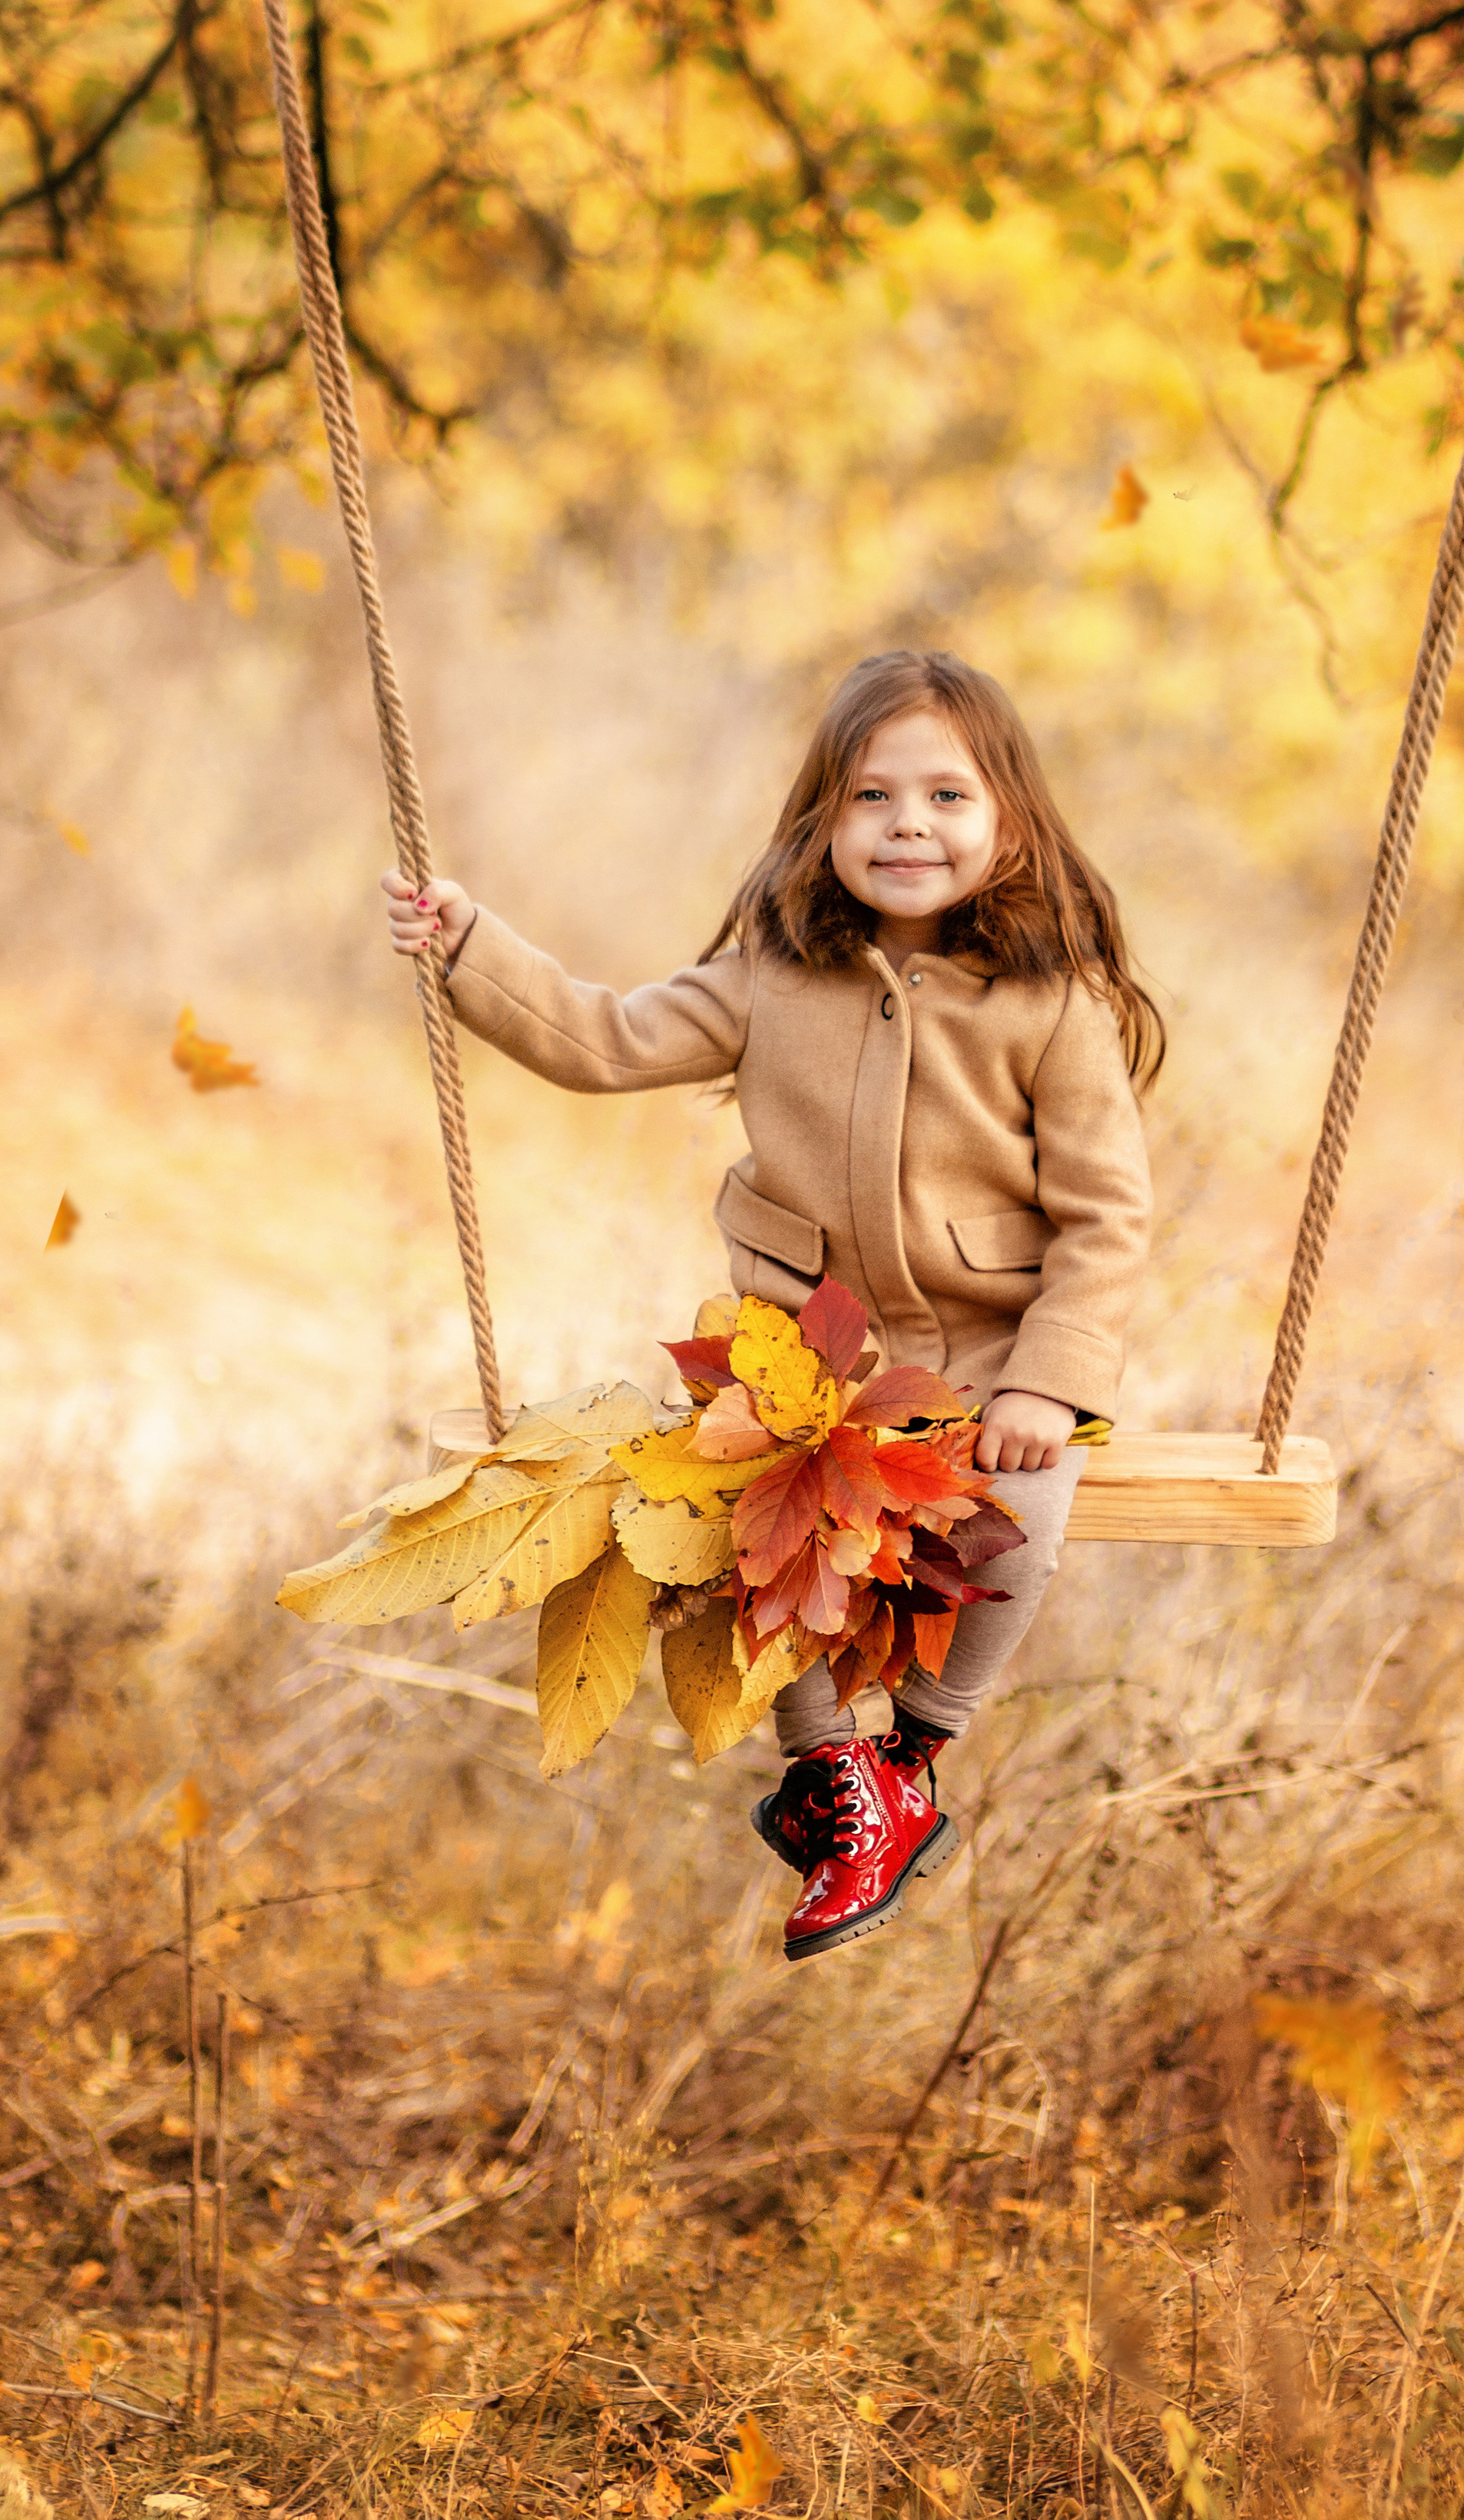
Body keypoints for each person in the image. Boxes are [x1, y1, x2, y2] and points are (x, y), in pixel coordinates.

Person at [382, 650, 1160, 1962]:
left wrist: (1052, 1376)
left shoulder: (1050, 1002)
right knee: (760, 1543)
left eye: (947, 797)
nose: (908, 825)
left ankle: (912, 1758)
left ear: (1011, 823)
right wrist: (470, 945)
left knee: (1019, 1521)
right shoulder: (771, 980)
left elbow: (1107, 1216)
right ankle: (834, 1779)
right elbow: (601, 1040)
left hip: (991, 1352)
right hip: (806, 1350)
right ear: (822, 821)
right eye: (872, 796)